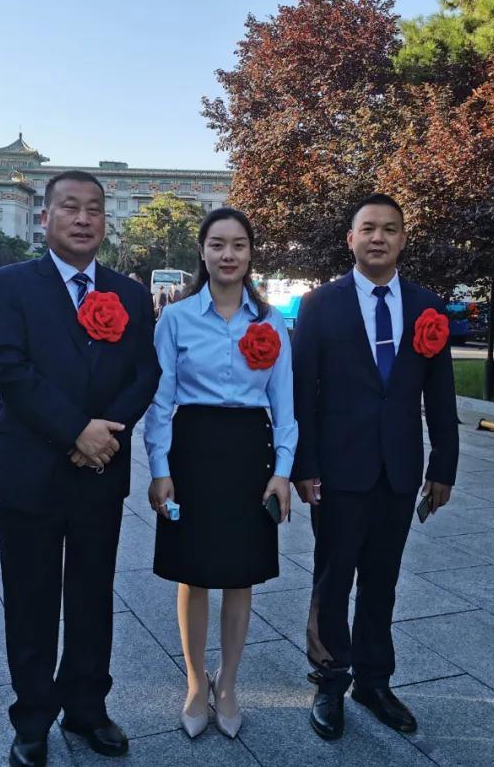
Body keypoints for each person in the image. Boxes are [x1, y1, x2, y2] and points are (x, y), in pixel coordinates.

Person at [0, 170, 161, 766]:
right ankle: (32, 718)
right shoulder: (10, 284)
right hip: (29, 472)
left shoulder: (130, 293)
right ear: (46, 217)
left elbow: (145, 372)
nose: (83, 219)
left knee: (92, 595)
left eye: (94, 209)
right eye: (70, 207)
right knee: (30, 599)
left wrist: (105, 433)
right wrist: (75, 430)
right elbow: (10, 367)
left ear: (106, 221)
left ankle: (87, 707)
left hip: (99, 471)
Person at [291, 193, 459, 741]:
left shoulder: (427, 306)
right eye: (368, 228)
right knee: (333, 577)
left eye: (389, 228)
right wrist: (303, 465)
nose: (378, 237)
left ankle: (373, 680)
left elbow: (440, 394)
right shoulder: (320, 304)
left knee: (383, 579)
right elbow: (303, 392)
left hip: (399, 468)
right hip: (338, 469)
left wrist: (444, 465)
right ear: (351, 239)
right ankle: (329, 680)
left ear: (403, 238)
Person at [145, 208, 296, 740]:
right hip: (193, 448)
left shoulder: (271, 321)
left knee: (240, 572)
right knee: (192, 570)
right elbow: (159, 402)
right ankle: (194, 681)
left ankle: (227, 682)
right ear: (202, 251)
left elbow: (285, 406)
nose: (228, 254)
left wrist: (283, 472)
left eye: (238, 245)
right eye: (217, 244)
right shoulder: (176, 319)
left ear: (251, 253)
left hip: (250, 452)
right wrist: (159, 468)